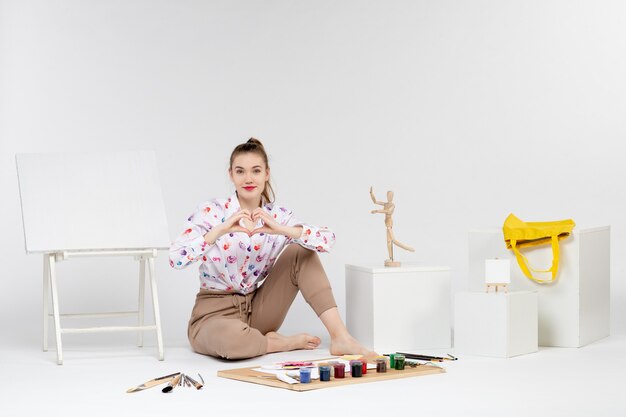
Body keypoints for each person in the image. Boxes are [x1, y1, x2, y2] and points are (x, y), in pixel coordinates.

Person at [169, 138, 373, 360]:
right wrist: (220, 230)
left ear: (266, 174)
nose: (248, 179)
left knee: (301, 252)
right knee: (233, 340)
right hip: (212, 316)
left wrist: (283, 230)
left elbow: (328, 240)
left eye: (256, 171)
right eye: (240, 171)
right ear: (231, 175)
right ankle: (274, 344)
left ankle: (340, 337)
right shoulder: (212, 211)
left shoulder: (277, 216)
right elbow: (175, 259)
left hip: (258, 310)